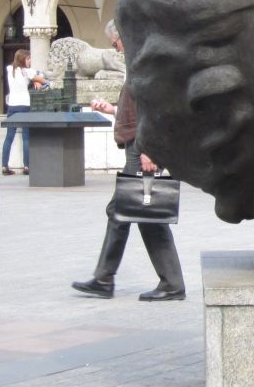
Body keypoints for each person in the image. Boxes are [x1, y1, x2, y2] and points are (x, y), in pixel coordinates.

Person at [72, 20, 185, 302]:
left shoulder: (145, 62)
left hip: (142, 147)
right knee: (132, 211)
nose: (115, 46)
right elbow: (136, 107)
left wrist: (150, 148)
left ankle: (115, 279)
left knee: (136, 211)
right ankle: (109, 278)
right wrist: (112, 109)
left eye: (116, 41)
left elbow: (156, 105)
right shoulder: (138, 62)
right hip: (138, 144)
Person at [2, 49, 46, 175]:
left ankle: (4, 166)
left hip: (12, 106)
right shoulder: (28, 71)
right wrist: (37, 80)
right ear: (23, 59)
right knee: (26, 136)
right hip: (25, 105)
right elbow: (42, 78)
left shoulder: (9, 69)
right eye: (28, 59)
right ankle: (27, 166)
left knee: (9, 137)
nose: (30, 61)